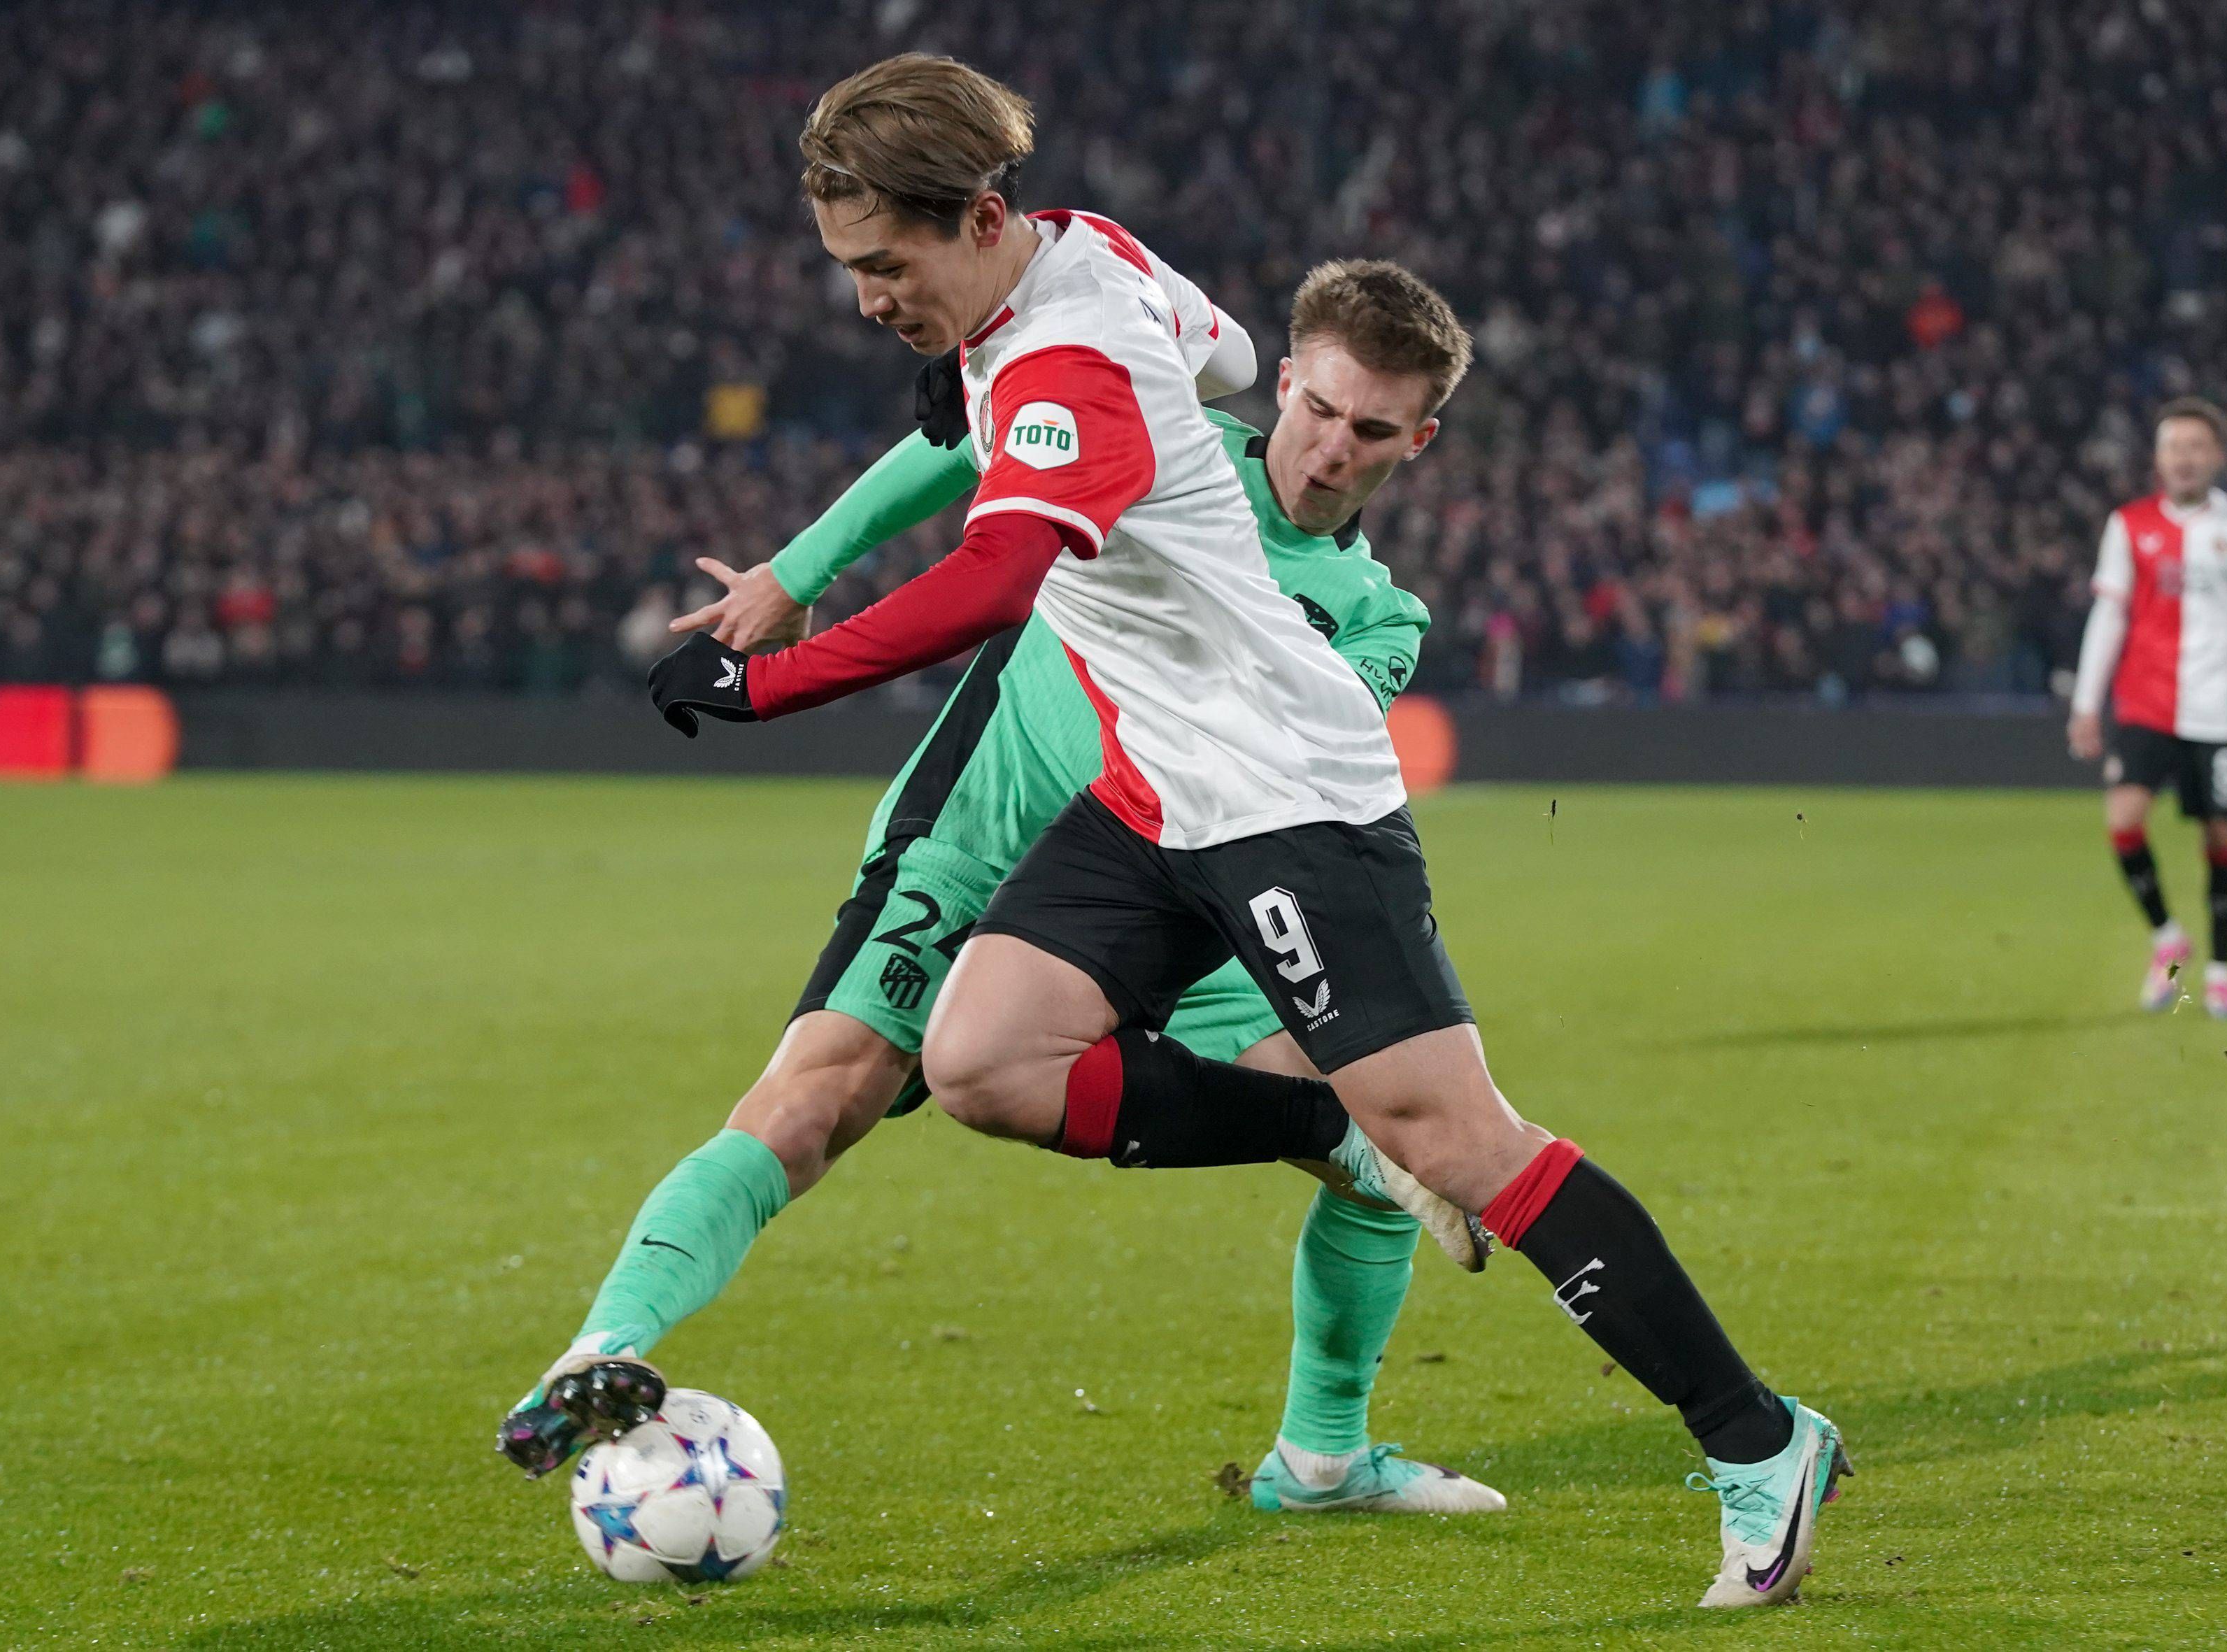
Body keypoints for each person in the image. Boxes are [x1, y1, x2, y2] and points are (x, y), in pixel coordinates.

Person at [639, 54, 1848, 1607]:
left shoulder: (1072, 360)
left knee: (1458, 1140)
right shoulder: (1094, 260)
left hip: (1281, 790)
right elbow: (1206, 350)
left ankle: (1756, 1436)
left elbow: (996, 580)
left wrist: (767, 683)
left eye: (885, 266)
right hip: (1150, 788)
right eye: (852, 269)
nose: (867, 297)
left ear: (976, 219)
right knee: (979, 1059)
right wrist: (970, 389)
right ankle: (1320, 1134)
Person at [502, 255, 1505, 1514]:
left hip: (1172, 901)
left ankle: (1318, 1458)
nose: (1328, 451)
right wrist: (798, 571)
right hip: (977, 840)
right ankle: (604, 1349)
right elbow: (973, 446)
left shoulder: (1375, 616)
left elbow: (1280, 771)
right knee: (819, 1097)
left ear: (1413, 443)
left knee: (1388, 1142)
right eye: (1315, 411)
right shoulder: (1157, 429)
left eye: (1368, 434)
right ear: (1286, 380)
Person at [2068, 398, 2227, 1018]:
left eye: (2196, 447)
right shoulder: (2129, 525)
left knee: (2219, 834)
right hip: (2147, 702)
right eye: (2174, 447)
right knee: (2123, 820)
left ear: (2216, 457)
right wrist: (2086, 702)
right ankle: (2168, 941)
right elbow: (2109, 612)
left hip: (2222, 704)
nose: (2185, 458)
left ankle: (2222, 973)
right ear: (2158, 458)